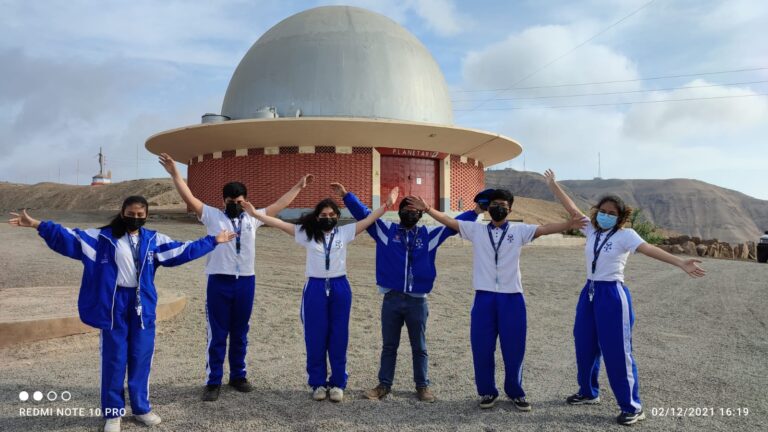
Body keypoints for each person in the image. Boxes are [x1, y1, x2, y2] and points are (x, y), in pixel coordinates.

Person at [8, 197, 235, 432]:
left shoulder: (153, 240)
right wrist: (37, 224)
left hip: (142, 305)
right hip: (113, 305)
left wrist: (213, 241)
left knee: (141, 356)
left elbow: (181, 250)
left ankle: (141, 408)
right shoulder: (102, 238)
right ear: (122, 212)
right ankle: (113, 412)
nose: (135, 218)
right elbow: (69, 237)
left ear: (146, 215)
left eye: (140, 215)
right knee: (114, 358)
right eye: (130, 213)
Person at [544, 169, 706, 425]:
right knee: (584, 344)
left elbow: (649, 248)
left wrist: (680, 262)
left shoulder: (626, 236)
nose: (606, 216)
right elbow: (572, 208)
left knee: (617, 350)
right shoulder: (591, 230)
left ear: (619, 218)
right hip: (589, 292)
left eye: (612, 213)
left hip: (612, 294)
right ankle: (588, 392)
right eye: (603, 211)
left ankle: (632, 406)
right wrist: (554, 185)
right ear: (597, 212)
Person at [407, 190, 586, 411]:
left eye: (502, 204)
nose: (497, 207)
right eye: (493, 204)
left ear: (510, 209)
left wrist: (569, 223)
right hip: (484, 297)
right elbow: (449, 221)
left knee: (514, 348)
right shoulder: (477, 230)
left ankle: (515, 392)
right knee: (482, 347)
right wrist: (427, 209)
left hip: (512, 298)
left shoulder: (520, 231)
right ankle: (487, 392)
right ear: (488, 208)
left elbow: (545, 229)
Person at [159, 153, 314, 401]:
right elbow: (189, 197)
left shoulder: (254, 217)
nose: (234, 204)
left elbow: (279, 205)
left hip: (246, 282)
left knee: (241, 330)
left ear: (246, 201)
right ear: (223, 200)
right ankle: (213, 381)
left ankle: (238, 375)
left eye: (239, 200)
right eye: (230, 200)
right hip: (219, 281)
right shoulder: (212, 216)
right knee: (217, 332)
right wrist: (175, 174)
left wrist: (298, 186)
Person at [331, 183, 483, 402]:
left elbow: (455, 224)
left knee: (419, 346)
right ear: (399, 212)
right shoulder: (385, 231)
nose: (411, 214)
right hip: (391, 299)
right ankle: (384, 386)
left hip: (417, 301)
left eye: (415, 211)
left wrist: (476, 212)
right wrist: (346, 196)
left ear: (420, 214)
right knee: (389, 346)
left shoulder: (429, 235)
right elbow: (364, 214)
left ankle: (422, 386)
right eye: (407, 210)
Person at [246, 186, 399, 403]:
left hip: (340, 287)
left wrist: (387, 203)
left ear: (337, 216)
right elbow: (279, 223)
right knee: (315, 336)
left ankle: (337, 383)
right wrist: (255, 214)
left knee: (339, 336)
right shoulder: (306, 234)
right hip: (315, 288)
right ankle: (317, 383)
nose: (327, 218)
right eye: (323, 215)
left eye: (331, 215)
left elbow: (370, 218)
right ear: (317, 217)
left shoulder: (345, 232)